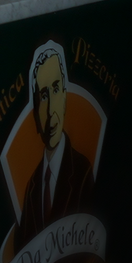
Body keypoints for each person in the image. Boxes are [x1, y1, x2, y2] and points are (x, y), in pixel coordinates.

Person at [14, 41, 95, 246]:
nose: (50, 111)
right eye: (43, 96)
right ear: (34, 112)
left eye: (56, 89)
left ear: (65, 96)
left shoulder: (83, 172)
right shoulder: (31, 189)